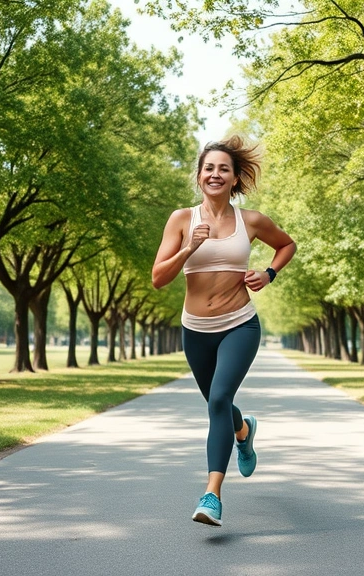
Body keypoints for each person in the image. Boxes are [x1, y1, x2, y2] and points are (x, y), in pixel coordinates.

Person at [151, 136, 296, 527]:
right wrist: (187, 249)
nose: (215, 174)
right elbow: (158, 279)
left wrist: (268, 273)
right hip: (195, 329)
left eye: (224, 169)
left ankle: (211, 496)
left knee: (217, 399)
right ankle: (244, 430)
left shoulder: (250, 221)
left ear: (235, 179)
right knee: (220, 405)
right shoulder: (182, 220)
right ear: (199, 176)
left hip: (239, 325)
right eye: (209, 168)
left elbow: (286, 244)